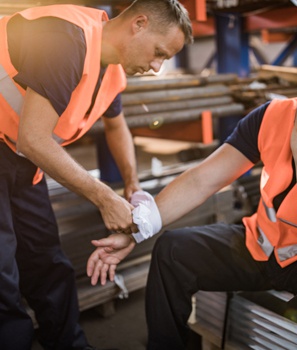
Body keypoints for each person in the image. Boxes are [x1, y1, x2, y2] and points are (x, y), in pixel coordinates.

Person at [87, 44, 297, 349]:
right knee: (171, 251)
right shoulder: (272, 116)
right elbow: (202, 180)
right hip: (261, 245)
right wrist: (138, 227)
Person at [0, 0, 193, 349]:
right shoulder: (66, 37)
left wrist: (133, 187)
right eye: (158, 53)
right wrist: (105, 197)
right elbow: (34, 138)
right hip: (16, 146)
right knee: (1, 274)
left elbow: (117, 128)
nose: (156, 67)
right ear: (139, 23)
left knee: (46, 260)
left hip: (20, 158)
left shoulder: (111, 68)